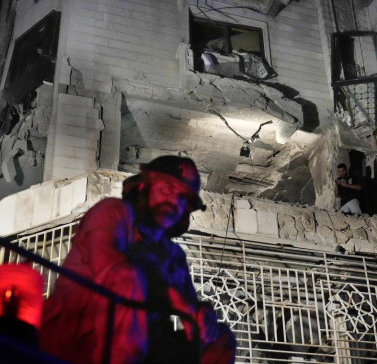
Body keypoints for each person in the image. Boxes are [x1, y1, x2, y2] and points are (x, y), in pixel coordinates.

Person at [39, 156, 235, 364]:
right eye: (168, 187)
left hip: (145, 342)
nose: (175, 200)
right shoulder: (114, 212)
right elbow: (109, 268)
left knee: (221, 338)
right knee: (128, 277)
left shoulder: (173, 255)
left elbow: (190, 311)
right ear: (144, 186)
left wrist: (201, 315)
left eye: (183, 197)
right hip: (78, 332)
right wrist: (174, 297)